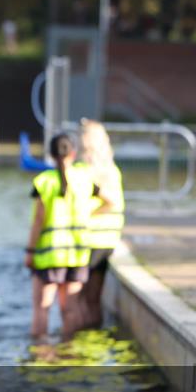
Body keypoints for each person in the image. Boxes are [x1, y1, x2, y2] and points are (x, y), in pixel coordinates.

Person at [25, 133, 111, 342]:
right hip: (77, 254)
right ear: (73, 153)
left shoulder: (44, 182)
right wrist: (87, 217)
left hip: (48, 255)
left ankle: (41, 356)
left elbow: (39, 220)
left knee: (41, 309)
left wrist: (30, 251)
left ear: (51, 155)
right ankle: (70, 354)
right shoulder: (84, 179)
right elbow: (109, 203)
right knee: (71, 309)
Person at [78, 119, 125, 329]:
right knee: (92, 297)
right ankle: (91, 337)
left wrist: (83, 217)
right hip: (106, 239)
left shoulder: (92, 171)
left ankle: (80, 337)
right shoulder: (111, 169)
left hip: (92, 240)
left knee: (81, 298)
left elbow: (111, 202)